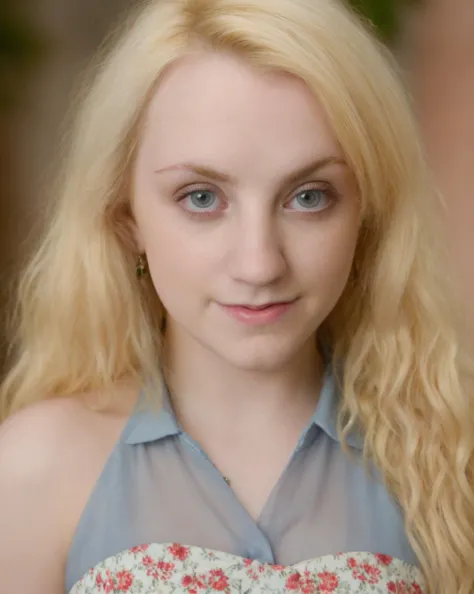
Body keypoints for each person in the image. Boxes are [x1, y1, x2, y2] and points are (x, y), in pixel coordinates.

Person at [0, 0, 473, 592]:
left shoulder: (452, 465)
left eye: (309, 196)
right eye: (201, 197)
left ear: (367, 215)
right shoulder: (33, 469)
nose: (260, 263)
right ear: (127, 220)